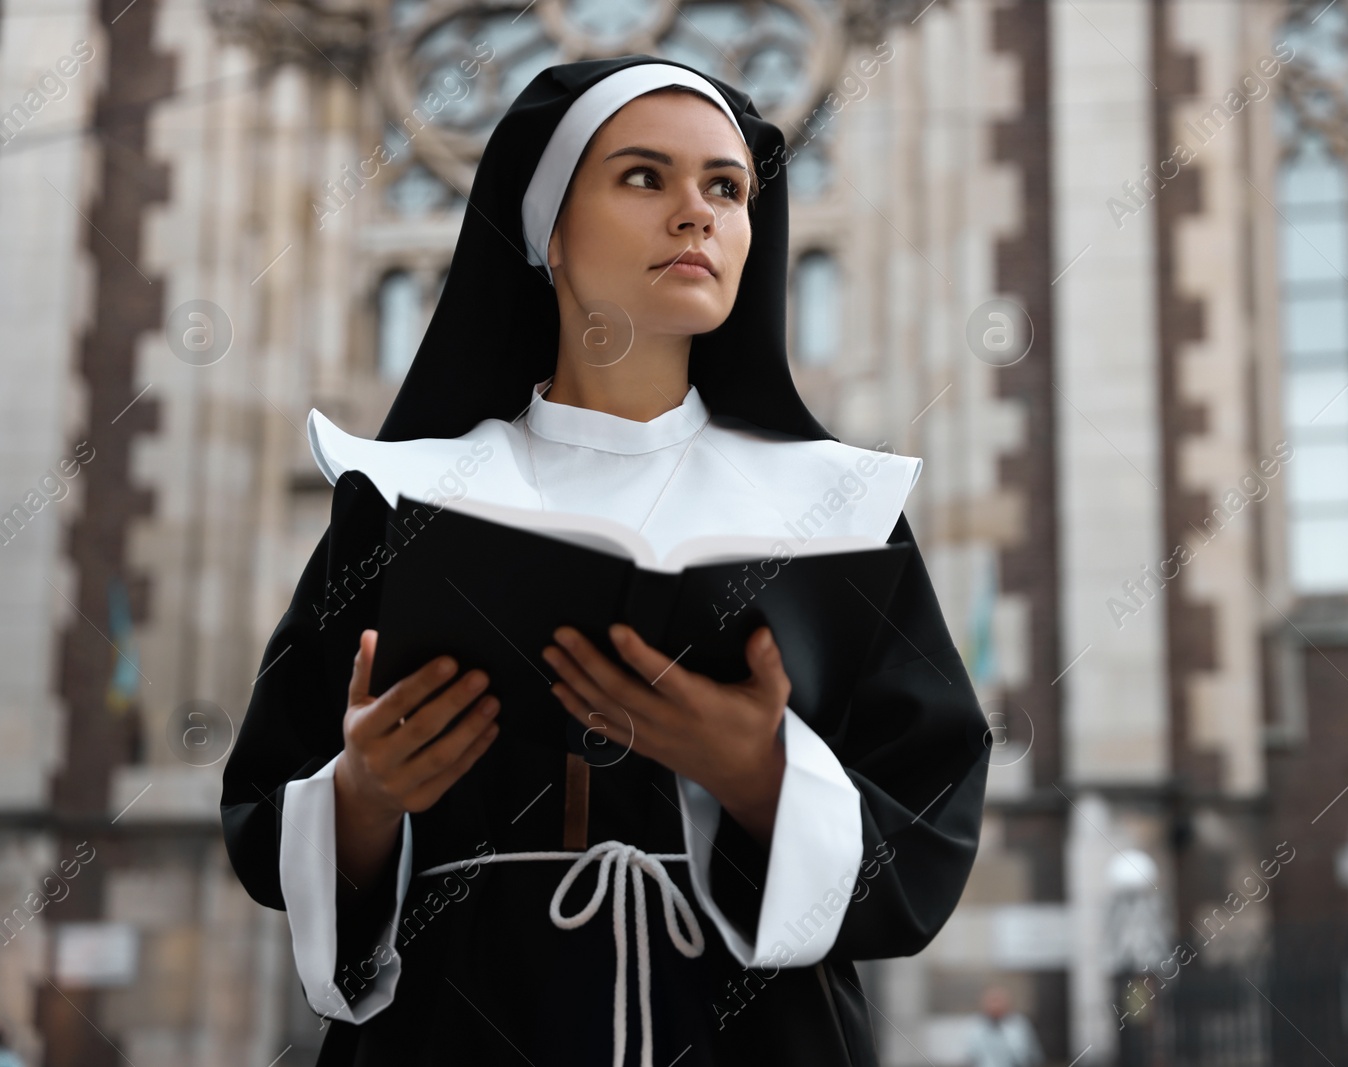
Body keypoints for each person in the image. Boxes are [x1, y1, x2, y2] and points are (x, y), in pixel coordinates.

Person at [220, 55, 988, 1067]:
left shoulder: (833, 509)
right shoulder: (404, 500)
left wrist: (757, 772)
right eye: (643, 177)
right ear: (546, 232)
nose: (696, 213)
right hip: (463, 1021)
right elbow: (269, 810)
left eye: (725, 187)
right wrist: (363, 796)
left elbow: (929, 820)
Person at [966, 987, 1044, 1067]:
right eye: (992, 1001)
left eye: (998, 1001)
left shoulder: (1019, 1025)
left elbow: (1033, 1055)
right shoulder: (974, 1027)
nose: (995, 1006)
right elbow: (969, 1056)